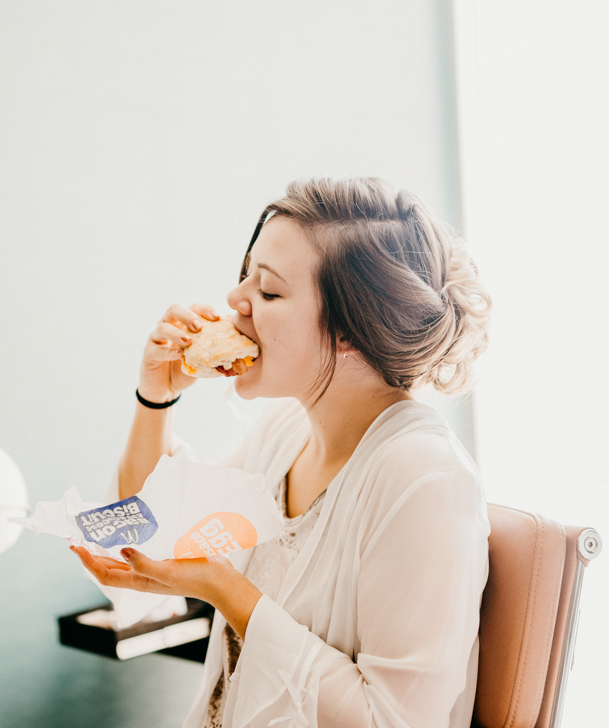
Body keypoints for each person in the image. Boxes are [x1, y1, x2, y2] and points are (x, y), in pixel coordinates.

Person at [72, 177, 492, 728]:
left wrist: (228, 591)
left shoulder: (422, 478)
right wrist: (156, 397)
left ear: (349, 330)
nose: (235, 300)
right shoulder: (285, 433)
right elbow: (141, 534)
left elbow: (393, 721)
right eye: (246, 274)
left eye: (267, 291)